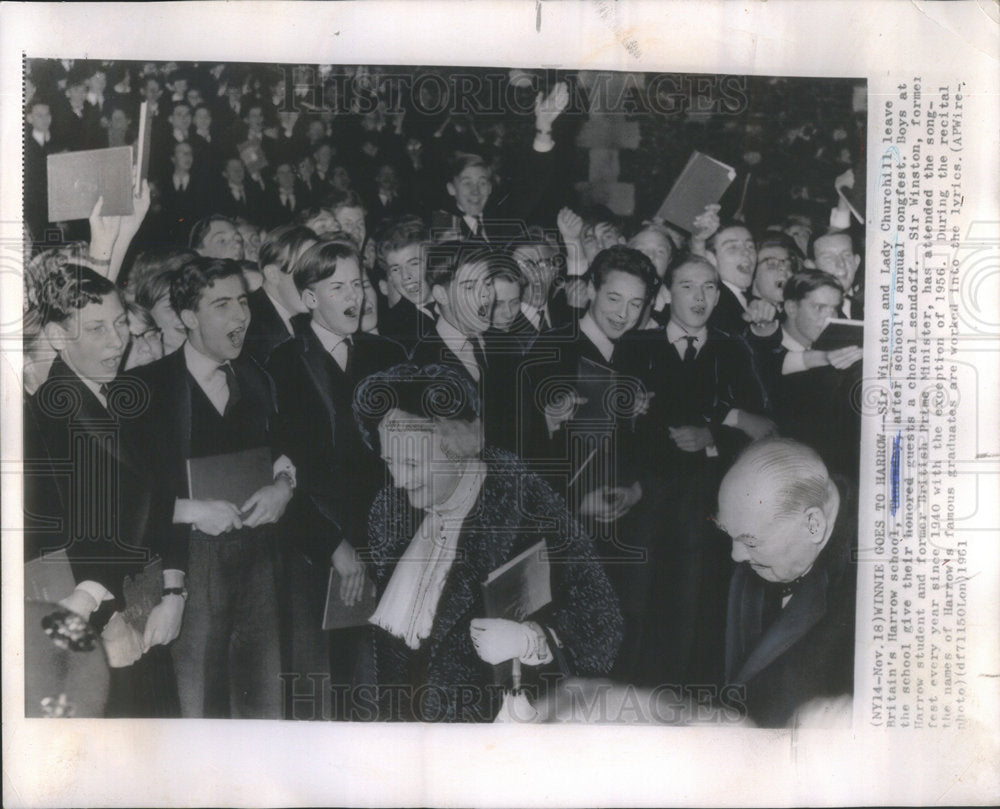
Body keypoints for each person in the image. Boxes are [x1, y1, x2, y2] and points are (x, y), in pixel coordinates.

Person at [353, 363, 624, 721]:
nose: (400, 480)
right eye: (390, 462)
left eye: (413, 464)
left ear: (457, 445)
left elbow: (602, 619)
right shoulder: (389, 513)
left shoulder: (525, 502)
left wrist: (533, 640)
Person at [125, 256, 294, 718]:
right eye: (222, 304)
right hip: (190, 566)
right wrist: (193, 516)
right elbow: (131, 498)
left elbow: (282, 451)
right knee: (196, 701)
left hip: (259, 563)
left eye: (242, 301)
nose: (240, 315)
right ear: (187, 318)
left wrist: (283, 486)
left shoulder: (257, 378)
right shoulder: (146, 390)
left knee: (263, 699)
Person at [24, 264, 178, 716]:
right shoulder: (43, 420)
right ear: (55, 336)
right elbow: (55, 540)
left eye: (119, 324)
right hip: (103, 618)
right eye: (96, 329)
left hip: (148, 605)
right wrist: (108, 620)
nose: (117, 342)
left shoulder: (127, 396)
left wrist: (175, 591)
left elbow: (162, 498)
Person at [620, 254, 774, 688]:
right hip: (644, 506)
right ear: (667, 294)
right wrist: (725, 415)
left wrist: (713, 435)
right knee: (640, 614)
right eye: (688, 286)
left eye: (709, 287)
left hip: (706, 509)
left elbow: (764, 428)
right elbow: (623, 429)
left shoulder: (732, 348)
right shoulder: (636, 347)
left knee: (693, 618)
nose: (700, 297)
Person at [267, 240, 405, 717]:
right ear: (309, 299)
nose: (355, 297)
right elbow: (280, 470)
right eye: (338, 287)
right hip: (317, 554)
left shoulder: (387, 355)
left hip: (385, 544)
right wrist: (332, 545)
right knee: (326, 689)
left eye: (359, 285)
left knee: (381, 685)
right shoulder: (280, 364)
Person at [716, 438, 856, 728]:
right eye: (728, 534)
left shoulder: (873, 588)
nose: (735, 554)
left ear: (813, 525)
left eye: (750, 542)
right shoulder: (760, 532)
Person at [242, 224, 315, 365]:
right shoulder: (249, 326)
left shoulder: (306, 317)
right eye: (304, 272)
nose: (315, 281)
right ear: (273, 274)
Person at [373, 215, 436, 355]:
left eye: (414, 263)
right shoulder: (393, 332)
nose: (406, 276)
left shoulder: (457, 300)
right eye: (396, 269)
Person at [809, 229, 864, 319]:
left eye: (846, 255)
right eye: (828, 258)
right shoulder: (802, 312)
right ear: (811, 266)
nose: (840, 264)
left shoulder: (869, 307)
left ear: (856, 262)